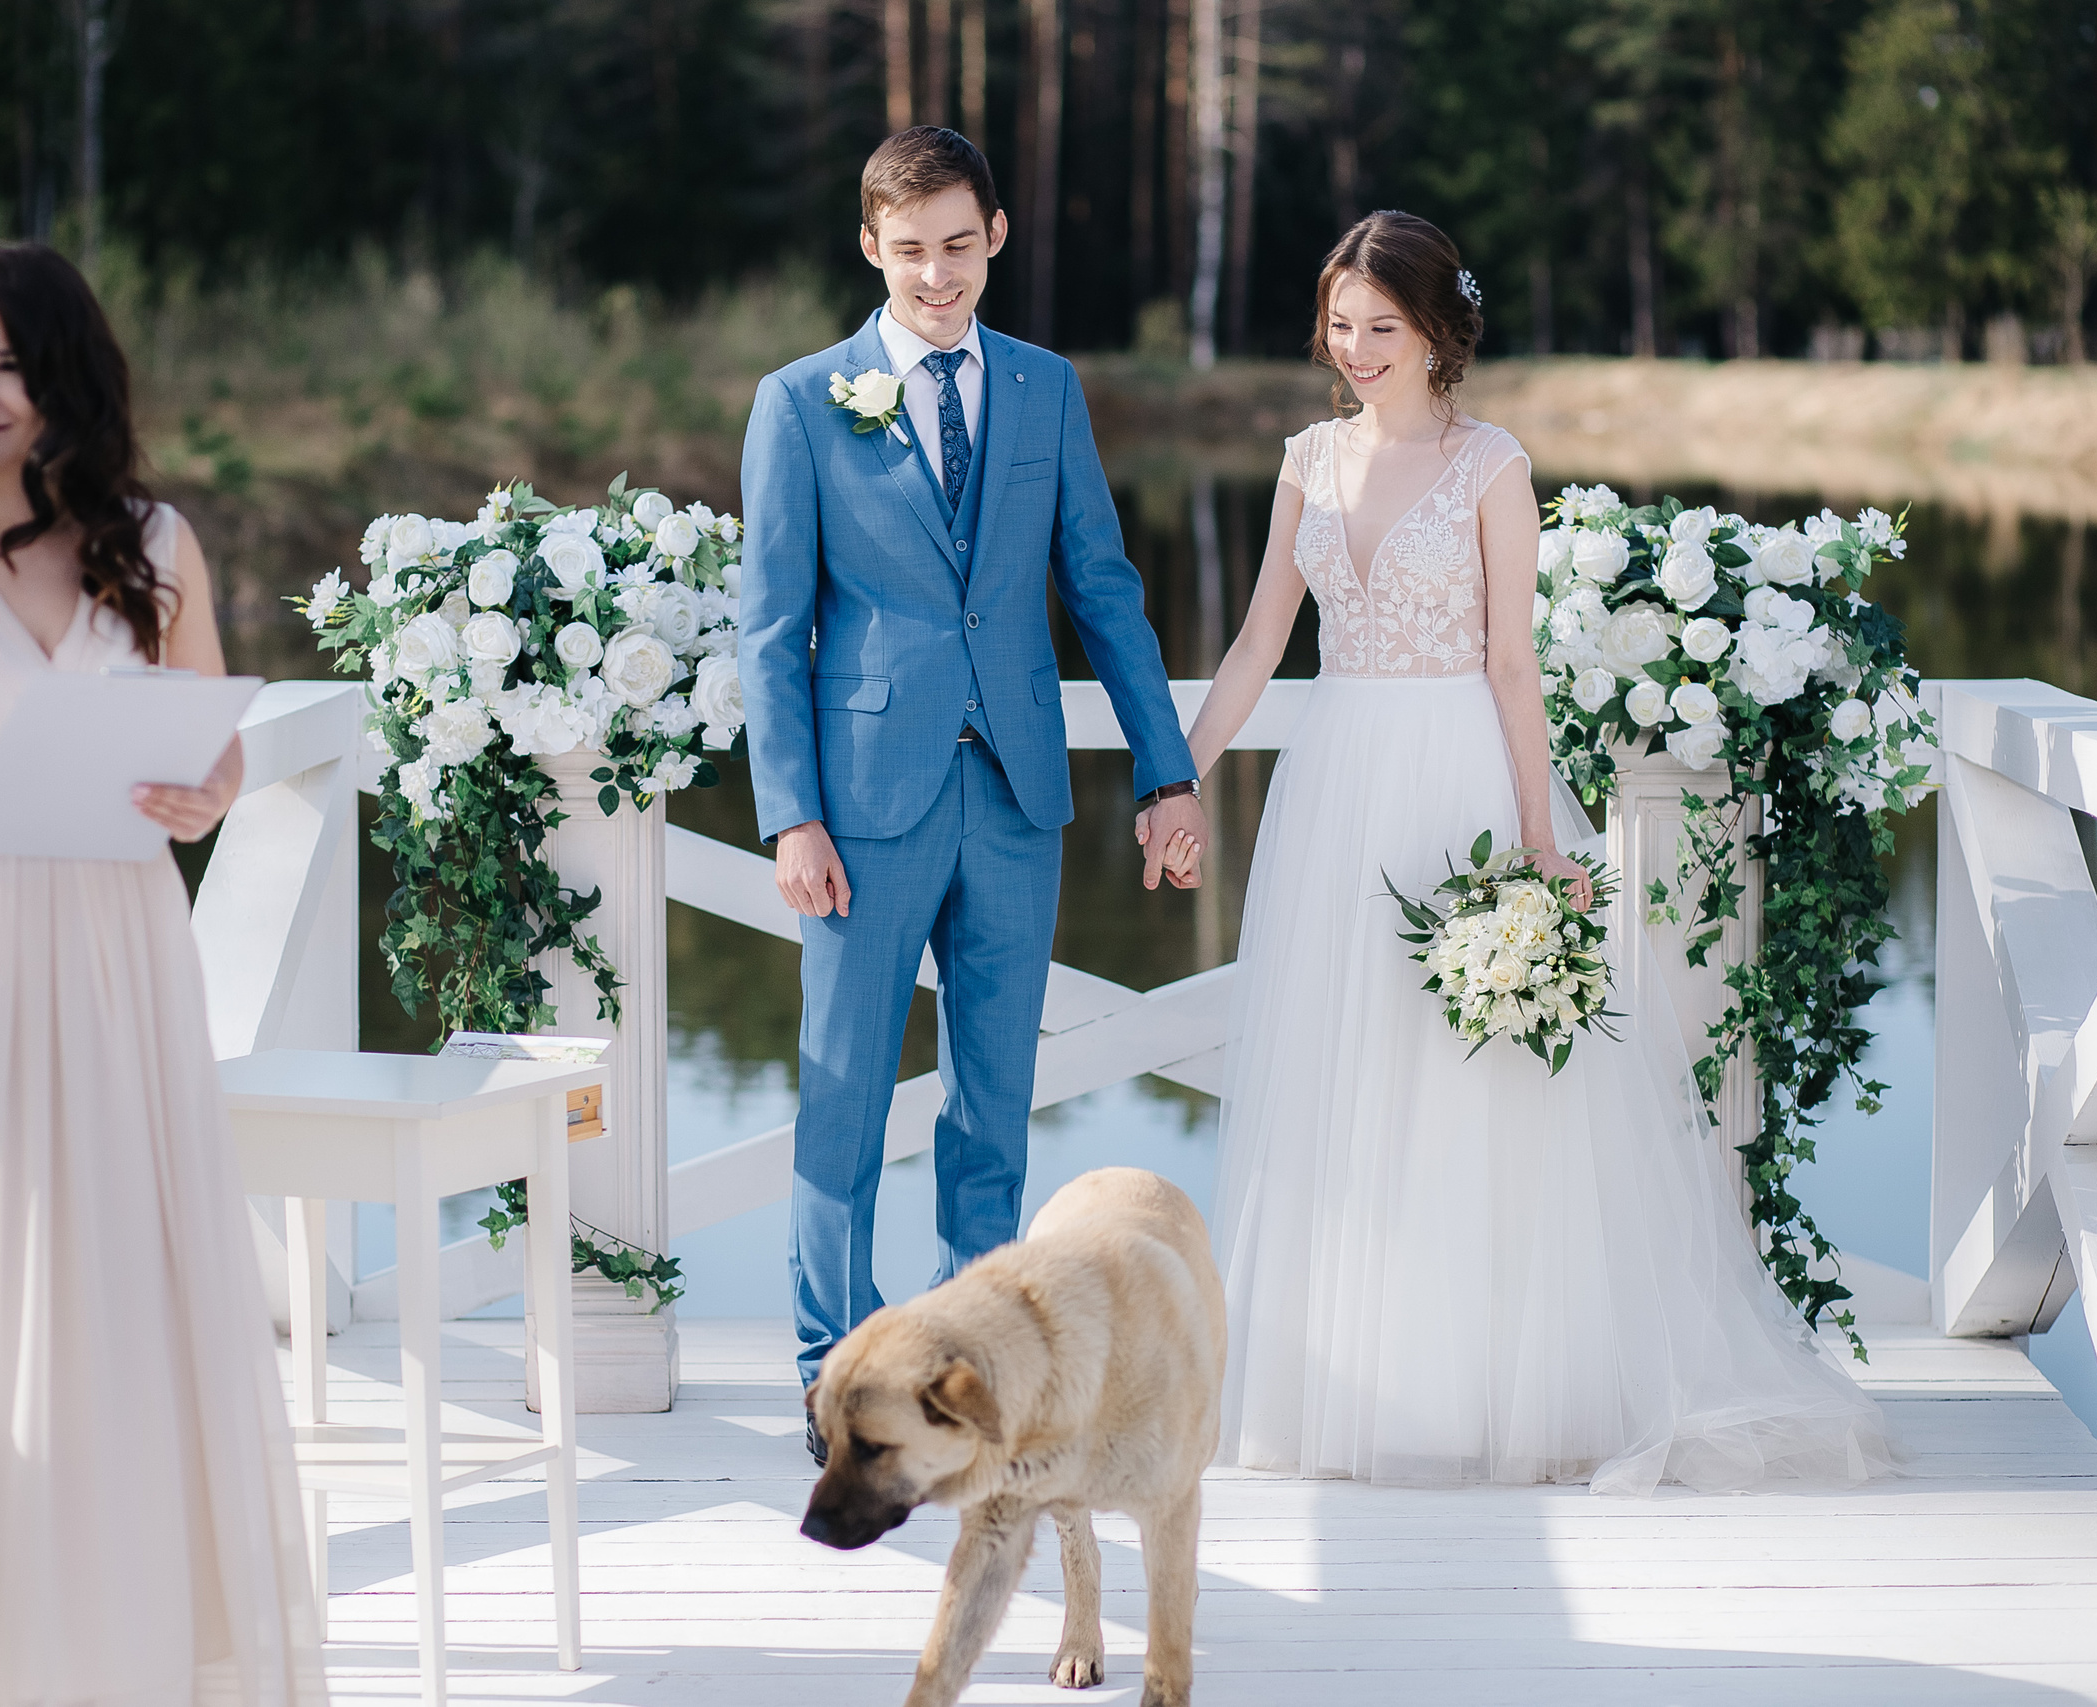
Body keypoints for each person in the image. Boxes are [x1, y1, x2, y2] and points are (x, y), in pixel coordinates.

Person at [1169, 211, 1898, 1495]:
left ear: (1440, 329)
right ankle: (1349, 1382)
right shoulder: (1304, 460)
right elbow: (1254, 646)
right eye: (1339, 327)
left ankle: (1504, 1386)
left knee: (1480, 1086)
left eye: (1380, 329)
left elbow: (1514, 661)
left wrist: (1539, 836)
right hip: (1336, 783)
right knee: (1344, 1074)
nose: (1354, 351)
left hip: (1454, 769)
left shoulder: (1491, 463)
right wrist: (1180, 778)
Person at [0, 243, 325, 1702]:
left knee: (120, 1316)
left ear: (61, 382)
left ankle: (121, 1654)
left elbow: (216, 749)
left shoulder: (151, 542)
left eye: (5, 365)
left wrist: (198, 791)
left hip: (116, 956)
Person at [739, 127, 1208, 1459]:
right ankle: (832, 1374)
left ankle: (970, 1370)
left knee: (990, 1107)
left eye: (957, 246)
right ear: (870, 249)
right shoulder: (801, 399)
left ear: (994, 235)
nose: (935, 277)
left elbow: (1104, 589)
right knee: (841, 1099)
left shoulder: (1045, 389)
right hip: (863, 805)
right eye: (908, 252)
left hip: (1016, 795)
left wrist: (1164, 769)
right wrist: (791, 814)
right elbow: (770, 630)